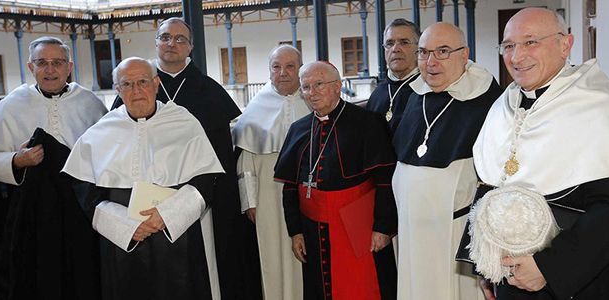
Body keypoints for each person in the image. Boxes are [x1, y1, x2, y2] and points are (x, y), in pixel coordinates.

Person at [458, 8, 609, 300]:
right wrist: (485, 265)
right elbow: (489, 190)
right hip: (509, 278)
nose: (517, 57)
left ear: (565, 44)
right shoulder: (503, 106)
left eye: (530, 42)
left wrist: (548, 268)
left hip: (576, 280)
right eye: (508, 46)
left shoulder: (601, 108)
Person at [109, 17, 257, 299]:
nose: (171, 44)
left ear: (190, 47)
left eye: (180, 39)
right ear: (156, 44)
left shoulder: (211, 92)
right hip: (147, 200)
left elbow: (222, 156)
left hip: (199, 198)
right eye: (165, 37)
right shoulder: (135, 88)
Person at [62, 57, 225, 300]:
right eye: (127, 84)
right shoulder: (101, 131)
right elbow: (84, 189)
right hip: (122, 239)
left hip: (176, 234)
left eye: (142, 82)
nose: (136, 90)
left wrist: (167, 216)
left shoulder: (184, 122)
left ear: (156, 84)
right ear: (118, 90)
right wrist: (124, 224)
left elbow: (205, 178)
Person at [0, 36, 106, 300]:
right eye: (42, 63)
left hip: (81, 213)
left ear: (69, 66)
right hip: (34, 217)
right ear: (31, 68)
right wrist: (17, 161)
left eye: (57, 62)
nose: (50, 69)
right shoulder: (13, 104)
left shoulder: (90, 104)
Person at [391, 22, 502, 300]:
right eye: (424, 52)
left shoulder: (486, 99)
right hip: (411, 230)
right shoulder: (412, 95)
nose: (431, 62)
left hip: (456, 235)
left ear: (464, 55)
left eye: (442, 51)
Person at [274, 61, 397, 299]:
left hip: (357, 225)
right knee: (320, 289)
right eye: (306, 87)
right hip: (312, 227)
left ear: (338, 86)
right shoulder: (299, 129)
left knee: (363, 287)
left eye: (319, 84)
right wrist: (295, 231)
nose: (312, 92)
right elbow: (290, 187)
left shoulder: (368, 123)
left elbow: (385, 179)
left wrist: (383, 227)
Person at [232, 45, 308, 300]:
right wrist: (250, 203)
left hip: (309, 193)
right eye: (276, 67)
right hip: (268, 196)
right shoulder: (255, 109)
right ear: (270, 71)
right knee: (273, 254)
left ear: (300, 68)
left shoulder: (313, 99)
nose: (283, 73)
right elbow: (245, 164)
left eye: (290, 66)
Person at [365, 18, 421, 135]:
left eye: (404, 42)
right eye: (389, 44)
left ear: (418, 48)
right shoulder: (378, 93)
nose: (395, 49)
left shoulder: (427, 89)